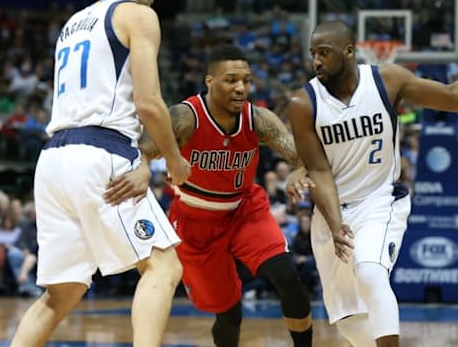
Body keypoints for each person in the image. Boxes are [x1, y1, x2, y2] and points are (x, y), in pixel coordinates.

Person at [288, 20, 458, 347]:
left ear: (348, 51)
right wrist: (335, 223)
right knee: (350, 322)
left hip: (379, 201)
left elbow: (454, 98)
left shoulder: (387, 79)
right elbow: (318, 171)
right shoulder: (303, 104)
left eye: (324, 53)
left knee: (371, 273)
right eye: (313, 54)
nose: (316, 61)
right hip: (331, 211)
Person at [10, 0, 191, 346]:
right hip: (100, 153)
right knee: (163, 267)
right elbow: (149, 103)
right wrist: (175, 161)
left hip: (54, 160)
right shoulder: (138, 15)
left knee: (62, 292)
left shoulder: (73, 22)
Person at [117, 44, 314, 347]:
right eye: (231, 80)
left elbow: (296, 152)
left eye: (246, 80)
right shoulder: (187, 117)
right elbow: (143, 148)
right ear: (210, 81)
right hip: (195, 221)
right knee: (229, 313)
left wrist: (299, 169)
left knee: (286, 276)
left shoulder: (258, 118)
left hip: (244, 208)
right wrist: (143, 167)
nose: (241, 88)